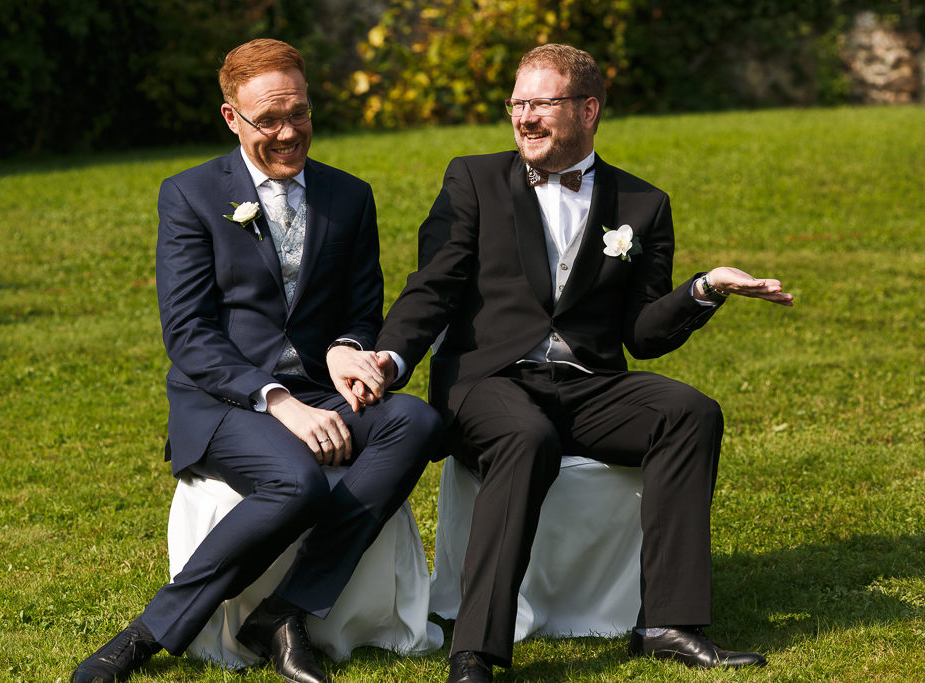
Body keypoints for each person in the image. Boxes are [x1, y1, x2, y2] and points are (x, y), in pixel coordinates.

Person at [342, 44, 793, 681]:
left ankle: (667, 622)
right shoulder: (472, 178)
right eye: (517, 104)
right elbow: (433, 285)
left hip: (587, 382)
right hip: (487, 379)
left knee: (690, 413)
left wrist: (702, 289)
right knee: (527, 437)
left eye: (541, 104)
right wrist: (388, 358)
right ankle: (476, 651)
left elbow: (641, 335)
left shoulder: (643, 204)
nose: (525, 117)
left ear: (588, 109)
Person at [70, 38, 442, 683]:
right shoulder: (188, 196)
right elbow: (188, 333)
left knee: (416, 422)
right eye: (268, 120)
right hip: (222, 401)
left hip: (317, 391)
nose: (288, 132)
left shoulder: (349, 196)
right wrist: (280, 402)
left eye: (298, 113)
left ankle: (285, 611)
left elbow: (360, 311)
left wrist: (349, 353)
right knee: (294, 481)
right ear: (231, 118)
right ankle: (147, 634)